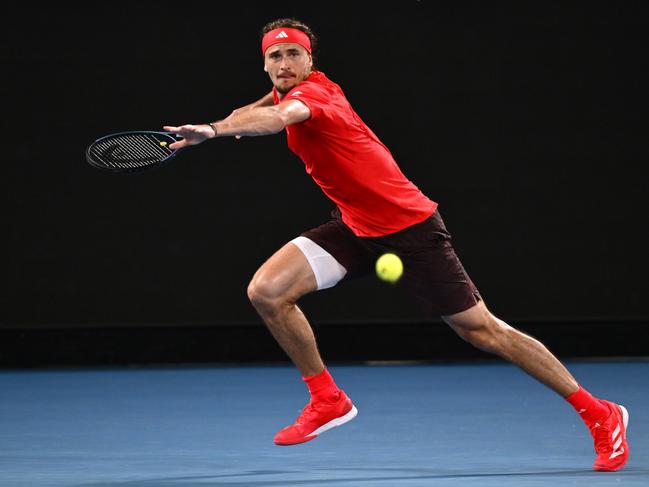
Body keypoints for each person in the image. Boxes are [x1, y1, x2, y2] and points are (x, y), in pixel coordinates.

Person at [164, 18, 629, 471]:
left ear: (310, 60)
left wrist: (217, 131)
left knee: (481, 330)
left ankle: (599, 412)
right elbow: (262, 106)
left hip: (410, 228)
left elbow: (278, 116)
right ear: (265, 63)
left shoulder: (315, 95)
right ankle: (327, 398)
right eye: (275, 55)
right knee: (266, 291)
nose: (285, 62)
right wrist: (216, 126)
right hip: (356, 226)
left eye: (294, 54)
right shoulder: (287, 87)